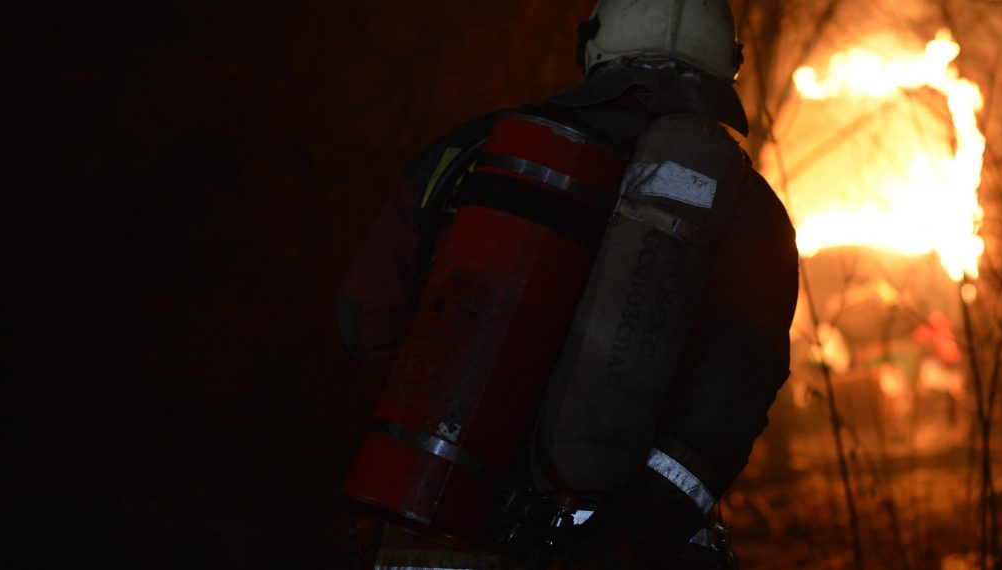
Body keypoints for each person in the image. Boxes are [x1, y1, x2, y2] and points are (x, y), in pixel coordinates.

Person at [338, 1, 798, 568]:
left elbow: (367, 319)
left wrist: (460, 422)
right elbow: (735, 392)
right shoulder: (747, 207)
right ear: (726, 64)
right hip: (618, 548)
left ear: (595, 44)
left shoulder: (475, 152)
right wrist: (631, 536)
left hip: (435, 523)